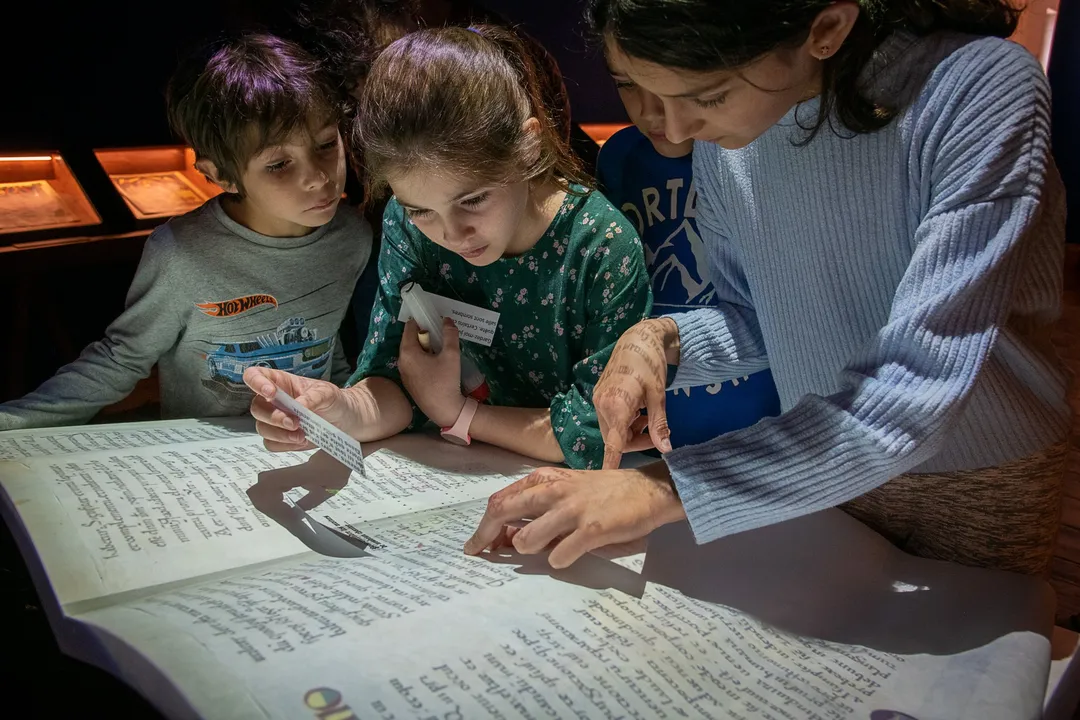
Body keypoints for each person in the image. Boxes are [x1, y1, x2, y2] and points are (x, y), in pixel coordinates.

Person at [465, 0, 1070, 577]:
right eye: (634, 85)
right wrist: (664, 338)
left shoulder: (977, 86)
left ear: (825, 29)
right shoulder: (725, 138)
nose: (671, 128)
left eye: (707, 95)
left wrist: (661, 489)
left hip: (980, 471)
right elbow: (758, 315)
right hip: (810, 459)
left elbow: (915, 391)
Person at [245, 26, 652, 470]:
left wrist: (458, 414)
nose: (453, 234)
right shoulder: (407, 226)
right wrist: (338, 409)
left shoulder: (600, 246)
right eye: (421, 210)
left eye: (473, 200)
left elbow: (600, 429)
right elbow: (393, 376)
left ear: (528, 146)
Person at [0, 34, 372, 430]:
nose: (317, 177)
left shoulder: (352, 238)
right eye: (279, 164)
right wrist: (13, 424)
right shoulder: (182, 253)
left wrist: (348, 417)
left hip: (308, 440)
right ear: (221, 175)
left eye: (325, 144)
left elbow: (327, 346)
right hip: (200, 455)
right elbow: (122, 357)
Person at [596, 69, 782, 448]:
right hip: (653, 433)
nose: (650, 111)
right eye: (626, 83)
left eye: (669, 82)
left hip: (763, 431)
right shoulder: (617, 157)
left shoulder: (754, 155)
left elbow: (788, 318)